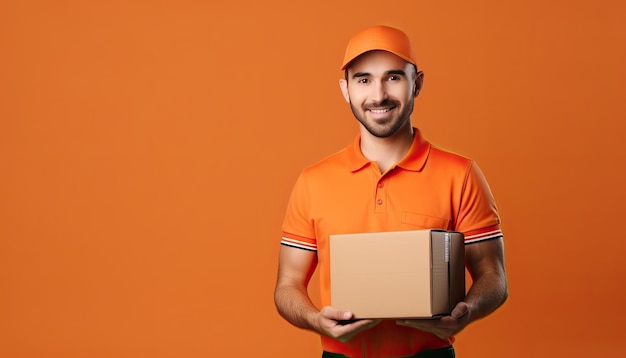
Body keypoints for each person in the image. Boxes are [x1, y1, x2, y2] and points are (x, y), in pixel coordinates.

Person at [274, 25, 508, 358]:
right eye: (364, 79)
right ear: (346, 89)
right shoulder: (314, 181)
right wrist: (315, 320)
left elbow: (493, 275)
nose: (378, 95)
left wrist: (467, 311)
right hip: (341, 355)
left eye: (394, 77)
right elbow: (288, 284)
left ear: (417, 83)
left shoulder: (460, 174)